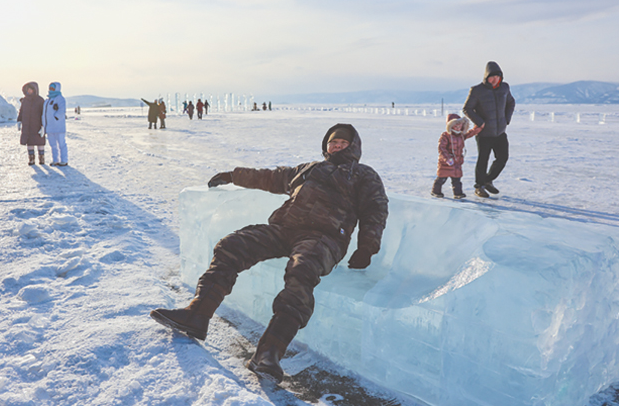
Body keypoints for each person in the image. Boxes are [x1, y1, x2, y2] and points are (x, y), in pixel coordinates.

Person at [150, 124, 389, 383]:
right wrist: (233, 176)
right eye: (333, 142)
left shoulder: (364, 175)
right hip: (284, 228)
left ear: (354, 147)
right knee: (232, 245)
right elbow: (271, 177)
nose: (337, 146)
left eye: (343, 142)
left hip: (323, 238)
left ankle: (269, 353)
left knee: (301, 271)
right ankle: (197, 315)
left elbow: (375, 211)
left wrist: (366, 247)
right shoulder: (309, 169)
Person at [462, 61, 515, 198]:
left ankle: (488, 180)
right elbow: (467, 108)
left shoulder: (504, 88)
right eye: (492, 77)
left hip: (500, 132)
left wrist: (506, 119)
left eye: (497, 76)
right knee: (483, 159)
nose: (495, 79)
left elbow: (511, 102)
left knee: (503, 158)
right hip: (484, 134)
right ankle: (479, 187)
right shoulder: (477, 90)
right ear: (486, 77)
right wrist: (480, 122)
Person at [431, 114, 482, 199]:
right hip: (446, 162)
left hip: (457, 162)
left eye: (460, 127)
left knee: (457, 179)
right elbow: (442, 148)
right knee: (441, 178)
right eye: (456, 127)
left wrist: (479, 127)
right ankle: (436, 191)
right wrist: (447, 158)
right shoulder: (445, 135)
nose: (458, 128)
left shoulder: (461, 135)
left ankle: (458, 193)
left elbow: (471, 133)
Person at [17, 81, 46, 165]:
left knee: (39, 142)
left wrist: (43, 125)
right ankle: (31, 159)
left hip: (37, 125)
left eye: (31, 89)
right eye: (28, 89)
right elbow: (21, 111)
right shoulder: (25, 100)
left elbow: (43, 113)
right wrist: (19, 120)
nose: (29, 91)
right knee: (29, 143)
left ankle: (41, 159)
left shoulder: (40, 100)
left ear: (35, 90)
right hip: (27, 125)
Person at [41, 81, 68, 166]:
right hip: (49, 127)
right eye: (50, 88)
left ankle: (64, 160)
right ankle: (55, 160)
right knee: (53, 145)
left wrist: (56, 117)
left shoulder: (60, 98)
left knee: (61, 144)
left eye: (53, 88)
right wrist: (44, 124)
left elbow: (61, 110)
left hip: (58, 127)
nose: (51, 89)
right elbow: (44, 113)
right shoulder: (48, 100)